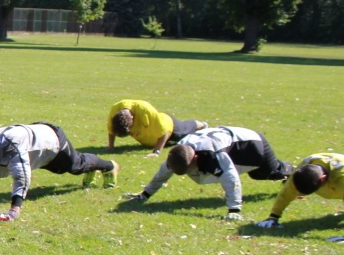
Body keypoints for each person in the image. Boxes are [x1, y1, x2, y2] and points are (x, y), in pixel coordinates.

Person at [123, 126, 292, 219]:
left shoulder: (213, 154)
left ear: (195, 157)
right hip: (232, 146)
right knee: (256, 175)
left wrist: (234, 210)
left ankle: (294, 173)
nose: (191, 173)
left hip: (252, 146)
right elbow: (162, 175)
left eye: (190, 170)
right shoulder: (178, 153)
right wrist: (144, 196)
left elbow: (230, 178)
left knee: (269, 173)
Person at [254, 153, 344, 228]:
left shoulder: (340, 179)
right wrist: (273, 216)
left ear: (323, 179)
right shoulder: (302, 170)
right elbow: (286, 193)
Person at [107, 99, 206, 157]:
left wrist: (156, 152)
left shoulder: (145, 110)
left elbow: (164, 132)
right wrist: (111, 147)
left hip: (171, 128)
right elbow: (111, 129)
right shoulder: (115, 110)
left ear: (133, 118)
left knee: (185, 130)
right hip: (151, 137)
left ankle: (201, 125)